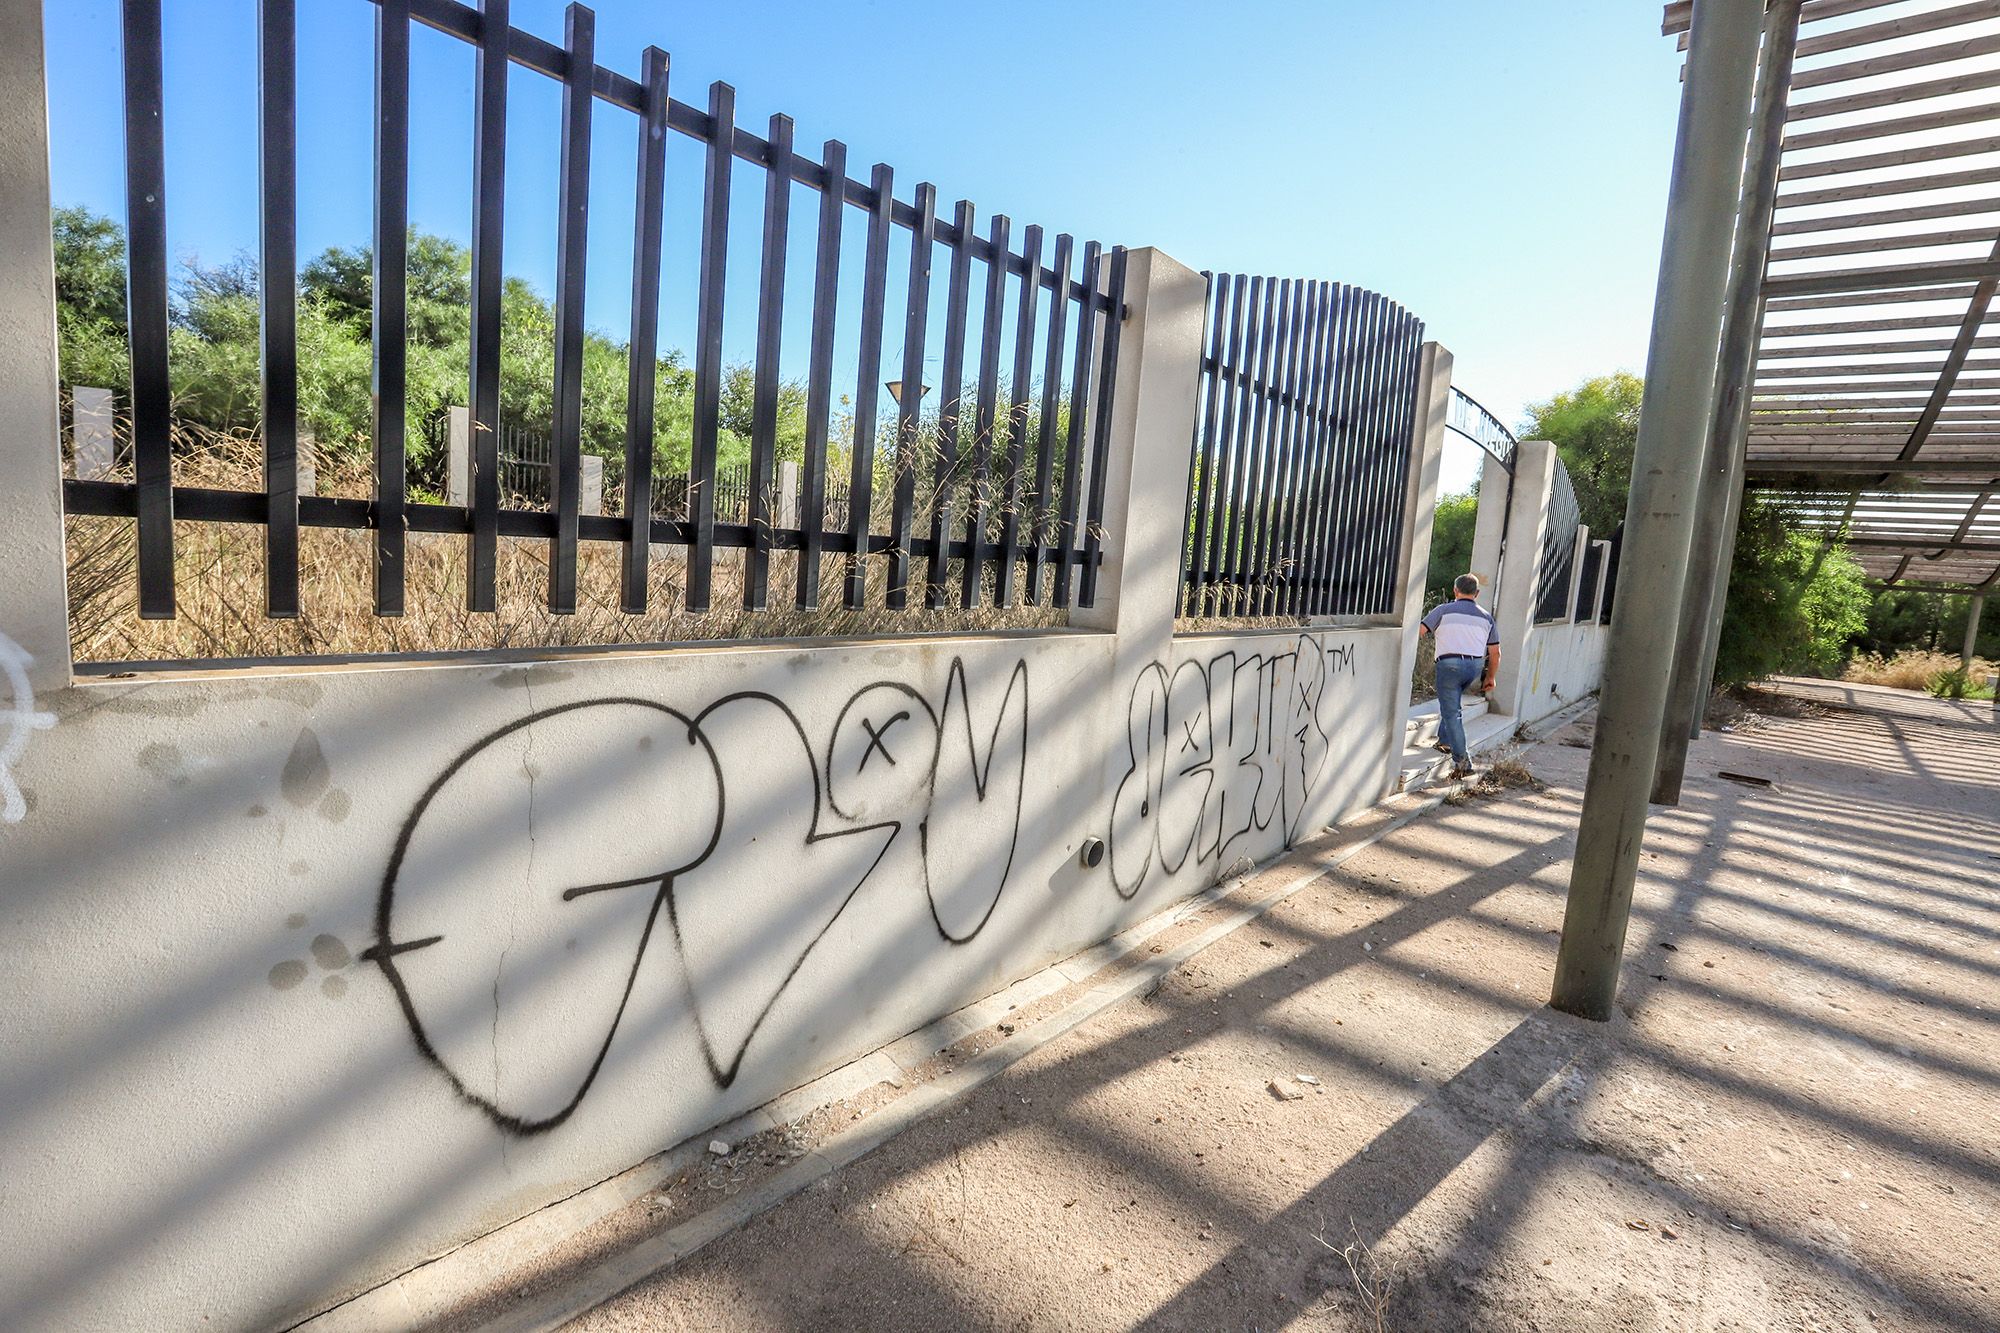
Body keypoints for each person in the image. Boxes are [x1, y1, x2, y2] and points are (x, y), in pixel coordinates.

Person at [1419, 574, 1500, 778]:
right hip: (1473, 667)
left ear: (1455, 591)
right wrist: (1490, 677)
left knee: (1452, 712)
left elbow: (1419, 631)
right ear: (1477, 593)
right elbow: (1495, 652)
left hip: (1449, 666)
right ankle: (1445, 740)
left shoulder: (1443, 610)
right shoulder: (1486, 617)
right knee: (1452, 705)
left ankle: (1463, 762)